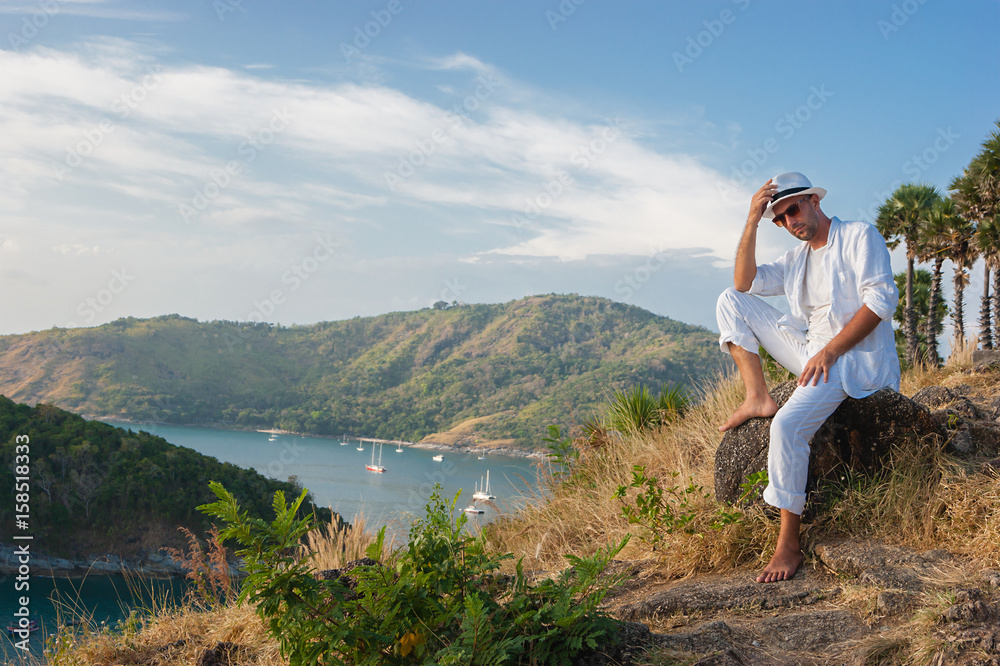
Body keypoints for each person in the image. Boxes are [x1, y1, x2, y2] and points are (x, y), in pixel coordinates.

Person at [715, 172, 900, 583]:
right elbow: (743, 282)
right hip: (811, 354)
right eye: (779, 219)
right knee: (730, 300)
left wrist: (831, 350)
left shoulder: (858, 236)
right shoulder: (796, 259)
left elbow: (881, 301)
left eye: (793, 209)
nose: (789, 222)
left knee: (787, 426)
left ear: (814, 201)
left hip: (850, 359)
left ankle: (788, 544)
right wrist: (751, 219)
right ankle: (757, 395)